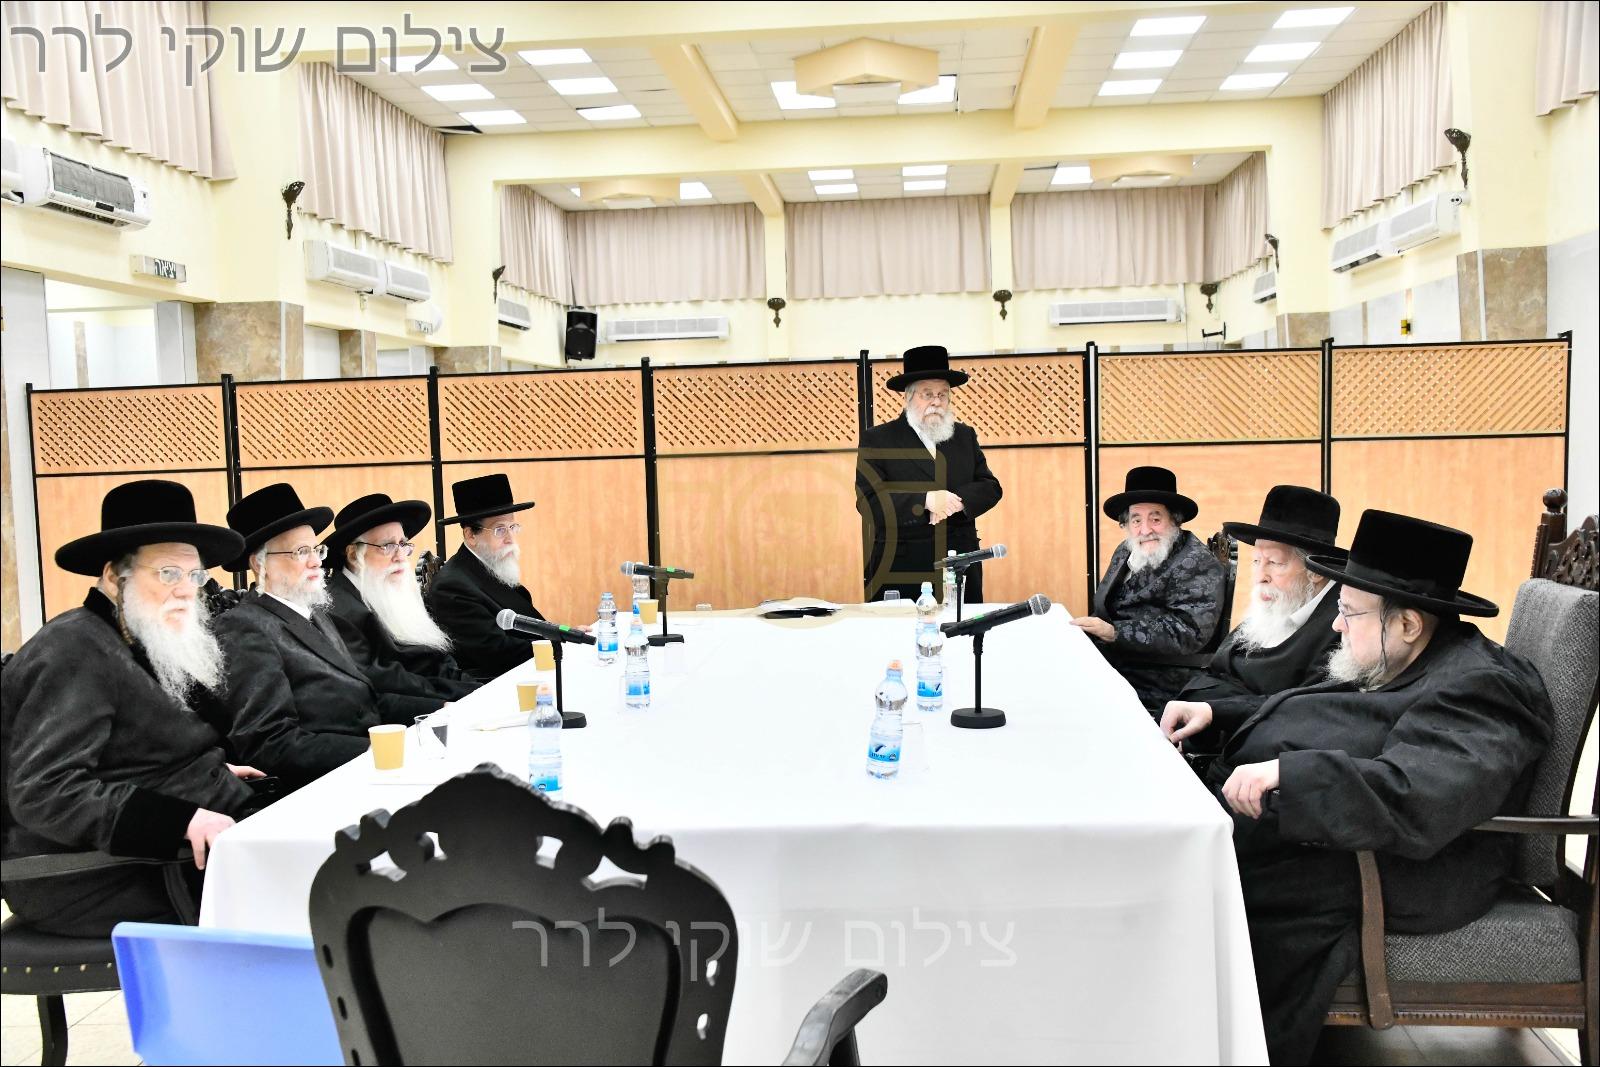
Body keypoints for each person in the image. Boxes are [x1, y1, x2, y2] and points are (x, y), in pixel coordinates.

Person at [1204, 510, 1552, 1064]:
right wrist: (1215, 714)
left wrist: (1290, 774)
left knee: (1209, 889)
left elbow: (1418, 793)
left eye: (1348, 613)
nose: (1336, 627)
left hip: (1408, 868)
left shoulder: (1481, 686)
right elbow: (1330, 711)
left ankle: (1229, 1046)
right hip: (1348, 834)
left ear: (1408, 623)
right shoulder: (1411, 651)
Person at [1, 480, 262, 936]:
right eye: (168, 573)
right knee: (295, 888)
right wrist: (179, 819)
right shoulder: (74, 649)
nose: (186, 590)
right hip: (82, 873)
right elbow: (45, 791)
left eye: (194, 576)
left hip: (160, 844)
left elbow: (133, 751)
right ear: (112, 577)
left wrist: (205, 773)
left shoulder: (140, 635)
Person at [214, 483, 440, 788]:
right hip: (327, 782)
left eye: (316, 549)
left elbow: (365, 699)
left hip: (373, 765)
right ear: (260, 563)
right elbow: (270, 742)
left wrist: (440, 711)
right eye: (300, 552)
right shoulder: (243, 627)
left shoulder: (316, 612)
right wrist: (374, 752)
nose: (315, 561)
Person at [1162, 485, 1344, 748]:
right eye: (1257, 561)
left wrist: (1218, 709)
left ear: (1315, 570)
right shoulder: (1280, 603)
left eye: (1275, 563)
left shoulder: (1343, 623)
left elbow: (1300, 711)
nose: (1260, 577)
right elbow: (1215, 671)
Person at [855, 345, 1003, 603]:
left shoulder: (964, 435)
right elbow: (868, 500)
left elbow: (990, 486)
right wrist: (925, 500)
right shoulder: (878, 439)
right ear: (908, 397)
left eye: (943, 394)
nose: (937, 401)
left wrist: (954, 501)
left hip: (959, 566)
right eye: (928, 394)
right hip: (902, 566)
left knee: (962, 628)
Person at [1074, 466, 1224, 711]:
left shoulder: (1197, 561)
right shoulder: (1126, 550)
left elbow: (1189, 631)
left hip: (1157, 678)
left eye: (1155, 519)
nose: (1144, 530)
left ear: (1174, 519)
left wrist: (1115, 632)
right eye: (1136, 520)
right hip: (1114, 661)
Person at [323, 493, 479, 702]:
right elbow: (384, 679)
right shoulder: (338, 609)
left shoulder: (391, 588)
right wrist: (460, 695)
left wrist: (478, 689)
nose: (400, 556)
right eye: (387, 546)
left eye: (403, 544)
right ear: (353, 555)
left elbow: (431, 657)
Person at [426, 473, 543, 681]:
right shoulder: (451, 586)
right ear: (471, 535)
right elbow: (498, 651)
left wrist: (563, 633)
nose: (510, 538)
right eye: (500, 530)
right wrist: (559, 645)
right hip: (499, 684)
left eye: (512, 527)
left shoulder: (491, 565)